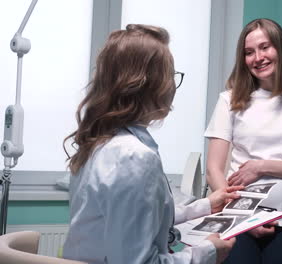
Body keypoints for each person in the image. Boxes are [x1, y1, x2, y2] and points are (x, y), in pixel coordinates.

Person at [62, 24, 242, 264]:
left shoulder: (99, 144)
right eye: (170, 75)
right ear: (148, 84)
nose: (172, 86)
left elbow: (141, 218)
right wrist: (209, 251)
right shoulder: (133, 157)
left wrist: (206, 205)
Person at [204, 18, 282, 264]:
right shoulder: (229, 100)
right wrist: (242, 217)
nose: (257, 57)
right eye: (249, 52)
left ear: (281, 49)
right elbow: (213, 170)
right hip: (238, 219)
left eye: (265, 47)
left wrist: (260, 166)